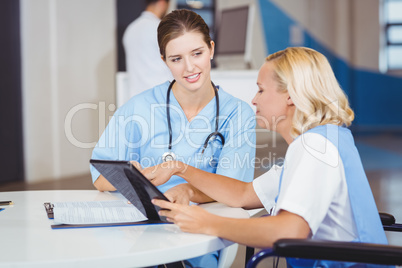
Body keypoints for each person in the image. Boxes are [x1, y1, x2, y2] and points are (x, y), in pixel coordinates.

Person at [144, 47, 389, 267]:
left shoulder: (315, 147)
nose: (254, 99)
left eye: (261, 90)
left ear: (291, 95)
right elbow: (243, 194)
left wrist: (206, 222)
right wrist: (180, 168)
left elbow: (290, 231)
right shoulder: (322, 140)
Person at [91, 9, 256, 268]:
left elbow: (234, 190)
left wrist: (188, 190)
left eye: (197, 53)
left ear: (211, 49)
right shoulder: (139, 107)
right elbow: (100, 178)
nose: (189, 67)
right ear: (164, 60)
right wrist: (132, 176)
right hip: (140, 230)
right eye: (176, 58)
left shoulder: (237, 114)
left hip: (197, 231)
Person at [123, 0, 173, 99]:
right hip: (161, 97)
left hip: (137, 98)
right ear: (162, 3)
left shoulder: (131, 29)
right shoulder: (161, 28)